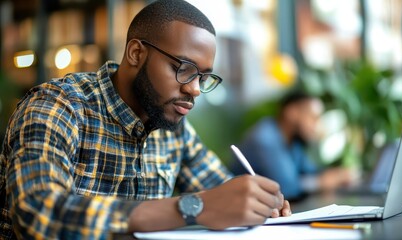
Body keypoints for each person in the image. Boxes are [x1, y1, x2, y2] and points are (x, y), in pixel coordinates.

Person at [0, 1, 291, 239]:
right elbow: (37, 213)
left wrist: (256, 202)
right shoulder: (59, 107)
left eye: (203, 76)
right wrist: (192, 208)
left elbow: (221, 192)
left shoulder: (170, 124)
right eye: (185, 69)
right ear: (136, 53)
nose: (194, 89)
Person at [230, 91, 353, 200]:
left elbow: (310, 171)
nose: (317, 125)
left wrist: (336, 174)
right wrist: (320, 182)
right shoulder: (265, 138)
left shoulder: (294, 140)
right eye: (313, 118)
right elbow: (287, 188)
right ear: (292, 112)